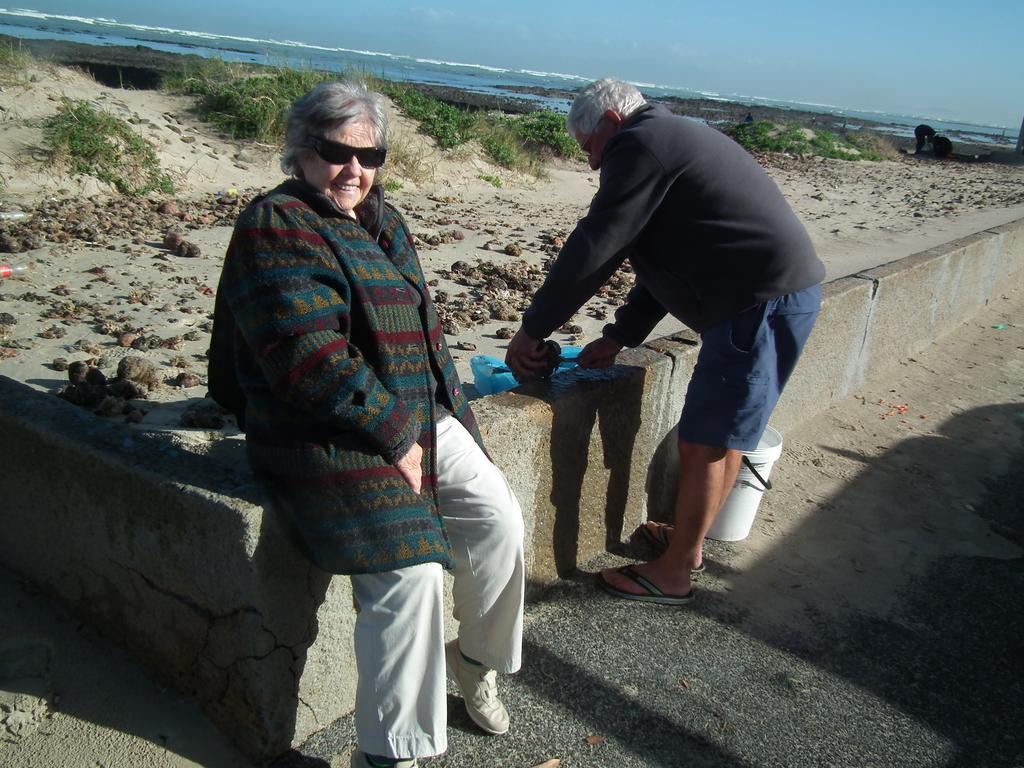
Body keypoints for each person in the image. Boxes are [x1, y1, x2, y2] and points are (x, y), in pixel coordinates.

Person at [211, 81, 524, 768]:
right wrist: (393, 433)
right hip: (320, 430)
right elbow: (306, 353)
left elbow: (425, 329)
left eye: (369, 154)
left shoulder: (383, 216)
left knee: (500, 520)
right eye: (334, 152)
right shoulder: (277, 223)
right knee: (408, 574)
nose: (354, 169)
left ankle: (475, 663)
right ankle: (391, 754)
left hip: (419, 413)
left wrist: (452, 419)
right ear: (301, 150)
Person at [505, 79, 825, 606]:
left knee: (708, 443)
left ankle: (675, 572)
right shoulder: (672, 137)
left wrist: (533, 329)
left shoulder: (641, 143)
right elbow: (658, 255)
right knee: (721, 437)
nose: (590, 165)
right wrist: (619, 336)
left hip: (757, 305)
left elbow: (598, 245)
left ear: (611, 123)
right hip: (769, 298)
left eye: (588, 149)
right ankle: (687, 544)